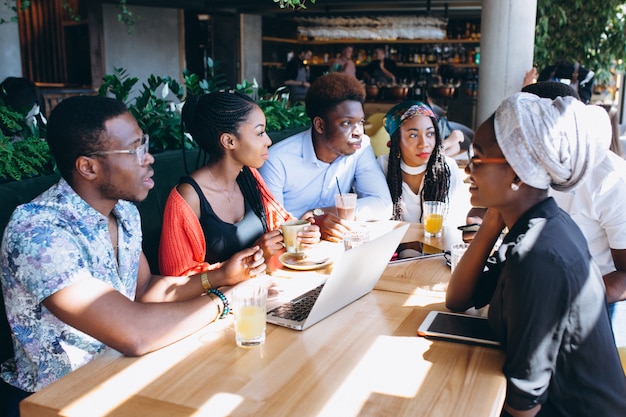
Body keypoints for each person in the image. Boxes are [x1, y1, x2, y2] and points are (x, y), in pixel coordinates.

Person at [0, 95, 265, 415]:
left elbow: (143, 289)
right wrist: (226, 300)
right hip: (58, 398)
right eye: (134, 150)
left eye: (145, 144)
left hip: (123, 372)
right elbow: (134, 334)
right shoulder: (37, 232)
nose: (149, 158)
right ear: (88, 167)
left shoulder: (123, 212)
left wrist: (222, 277)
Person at [446, 92, 626, 416]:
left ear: (517, 175)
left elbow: (524, 403)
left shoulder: (537, 256)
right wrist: (493, 216)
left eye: (478, 158)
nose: (468, 169)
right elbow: (458, 299)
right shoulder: (540, 223)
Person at [158, 91, 320, 276]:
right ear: (229, 141)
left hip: (262, 290)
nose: (268, 141)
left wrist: (302, 233)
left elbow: (282, 223)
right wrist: (256, 254)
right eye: (259, 133)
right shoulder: (187, 198)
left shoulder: (249, 176)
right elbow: (179, 279)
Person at [521, 81, 626, 347]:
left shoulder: (609, 179)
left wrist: (564, 299)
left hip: (591, 302)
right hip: (535, 288)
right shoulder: (527, 163)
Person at [259, 72, 393, 242]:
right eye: (347, 123)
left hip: (335, 248)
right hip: (292, 254)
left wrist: (321, 214)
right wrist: (309, 225)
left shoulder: (360, 147)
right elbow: (272, 229)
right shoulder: (277, 161)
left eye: (360, 122)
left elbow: (383, 205)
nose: (359, 132)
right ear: (320, 125)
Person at [377, 101, 465, 227]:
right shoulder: (382, 166)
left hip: (439, 245)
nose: (424, 143)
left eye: (430, 134)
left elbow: (455, 225)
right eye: (413, 135)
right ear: (396, 141)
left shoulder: (447, 168)